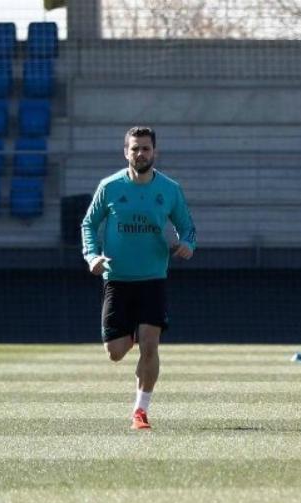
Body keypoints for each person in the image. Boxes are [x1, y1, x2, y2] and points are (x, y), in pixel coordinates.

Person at [81, 126, 197, 430]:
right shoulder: (109, 187)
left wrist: (187, 245)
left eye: (146, 148)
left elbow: (188, 228)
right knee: (115, 353)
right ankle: (133, 332)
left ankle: (140, 411)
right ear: (125, 152)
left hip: (152, 280)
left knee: (151, 344)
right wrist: (92, 256)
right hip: (117, 279)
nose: (140, 154)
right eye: (135, 149)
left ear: (154, 152)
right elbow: (88, 225)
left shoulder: (170, 189)